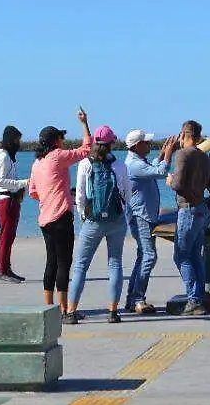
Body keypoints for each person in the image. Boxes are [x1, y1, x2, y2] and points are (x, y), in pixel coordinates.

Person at [28, 109, 92, 319]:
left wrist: (52, 193)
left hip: (44, 219)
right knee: (64, 262)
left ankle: (49, 308)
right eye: (61, 137)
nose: (63, 141)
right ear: (55, 140)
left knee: (51, 262)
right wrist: (84, 123)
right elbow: (86, 149)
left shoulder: (37, 163)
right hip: (61, 217)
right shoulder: (58, 156)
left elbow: (33, 192)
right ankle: (65, 310)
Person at [67, 126, 132, 324]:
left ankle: (71, 312)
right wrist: (122, 210)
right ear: (111, 143)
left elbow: (80, 195)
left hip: (93, 220)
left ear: (95, 142)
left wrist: (82, 215)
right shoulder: (119, 165)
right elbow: (127, 192)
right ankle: (113, 312)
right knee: (115, 264)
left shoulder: (85, 164)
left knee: (80, 265)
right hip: (116, 220)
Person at [167, 120, 210, 316]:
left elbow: (179, 185)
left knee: (181, 255)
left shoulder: (183, 154)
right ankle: (198, 298)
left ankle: (194, 300)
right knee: (195, 255)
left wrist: (170, 180)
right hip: (200, 211)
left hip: (188, 210)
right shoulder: (205, 158)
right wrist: (206, 208)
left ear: (184, 134)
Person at [124, 129, 178, 315]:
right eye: (146, 142)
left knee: (143, 256)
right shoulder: (133, 165)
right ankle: (137, 299)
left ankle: (133, 299)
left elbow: (153, 167)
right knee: (149, 256)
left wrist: (162, 153)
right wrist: (169, 156)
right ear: (137, 145)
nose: (149, 145)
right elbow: (161, 172)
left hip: (145, 215)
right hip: (141, 216)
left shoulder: (138, 161)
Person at [0, 125, 29, 283]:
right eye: (16, 140)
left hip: (12, 199)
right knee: (5, 236)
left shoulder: (9, 156)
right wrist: (22, 183)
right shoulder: (3, 156)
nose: (18, 143)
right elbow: (0, 181)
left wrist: (19, 189)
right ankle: (2, 270)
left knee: (10, 236)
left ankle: (7, 268)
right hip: (5, 200)